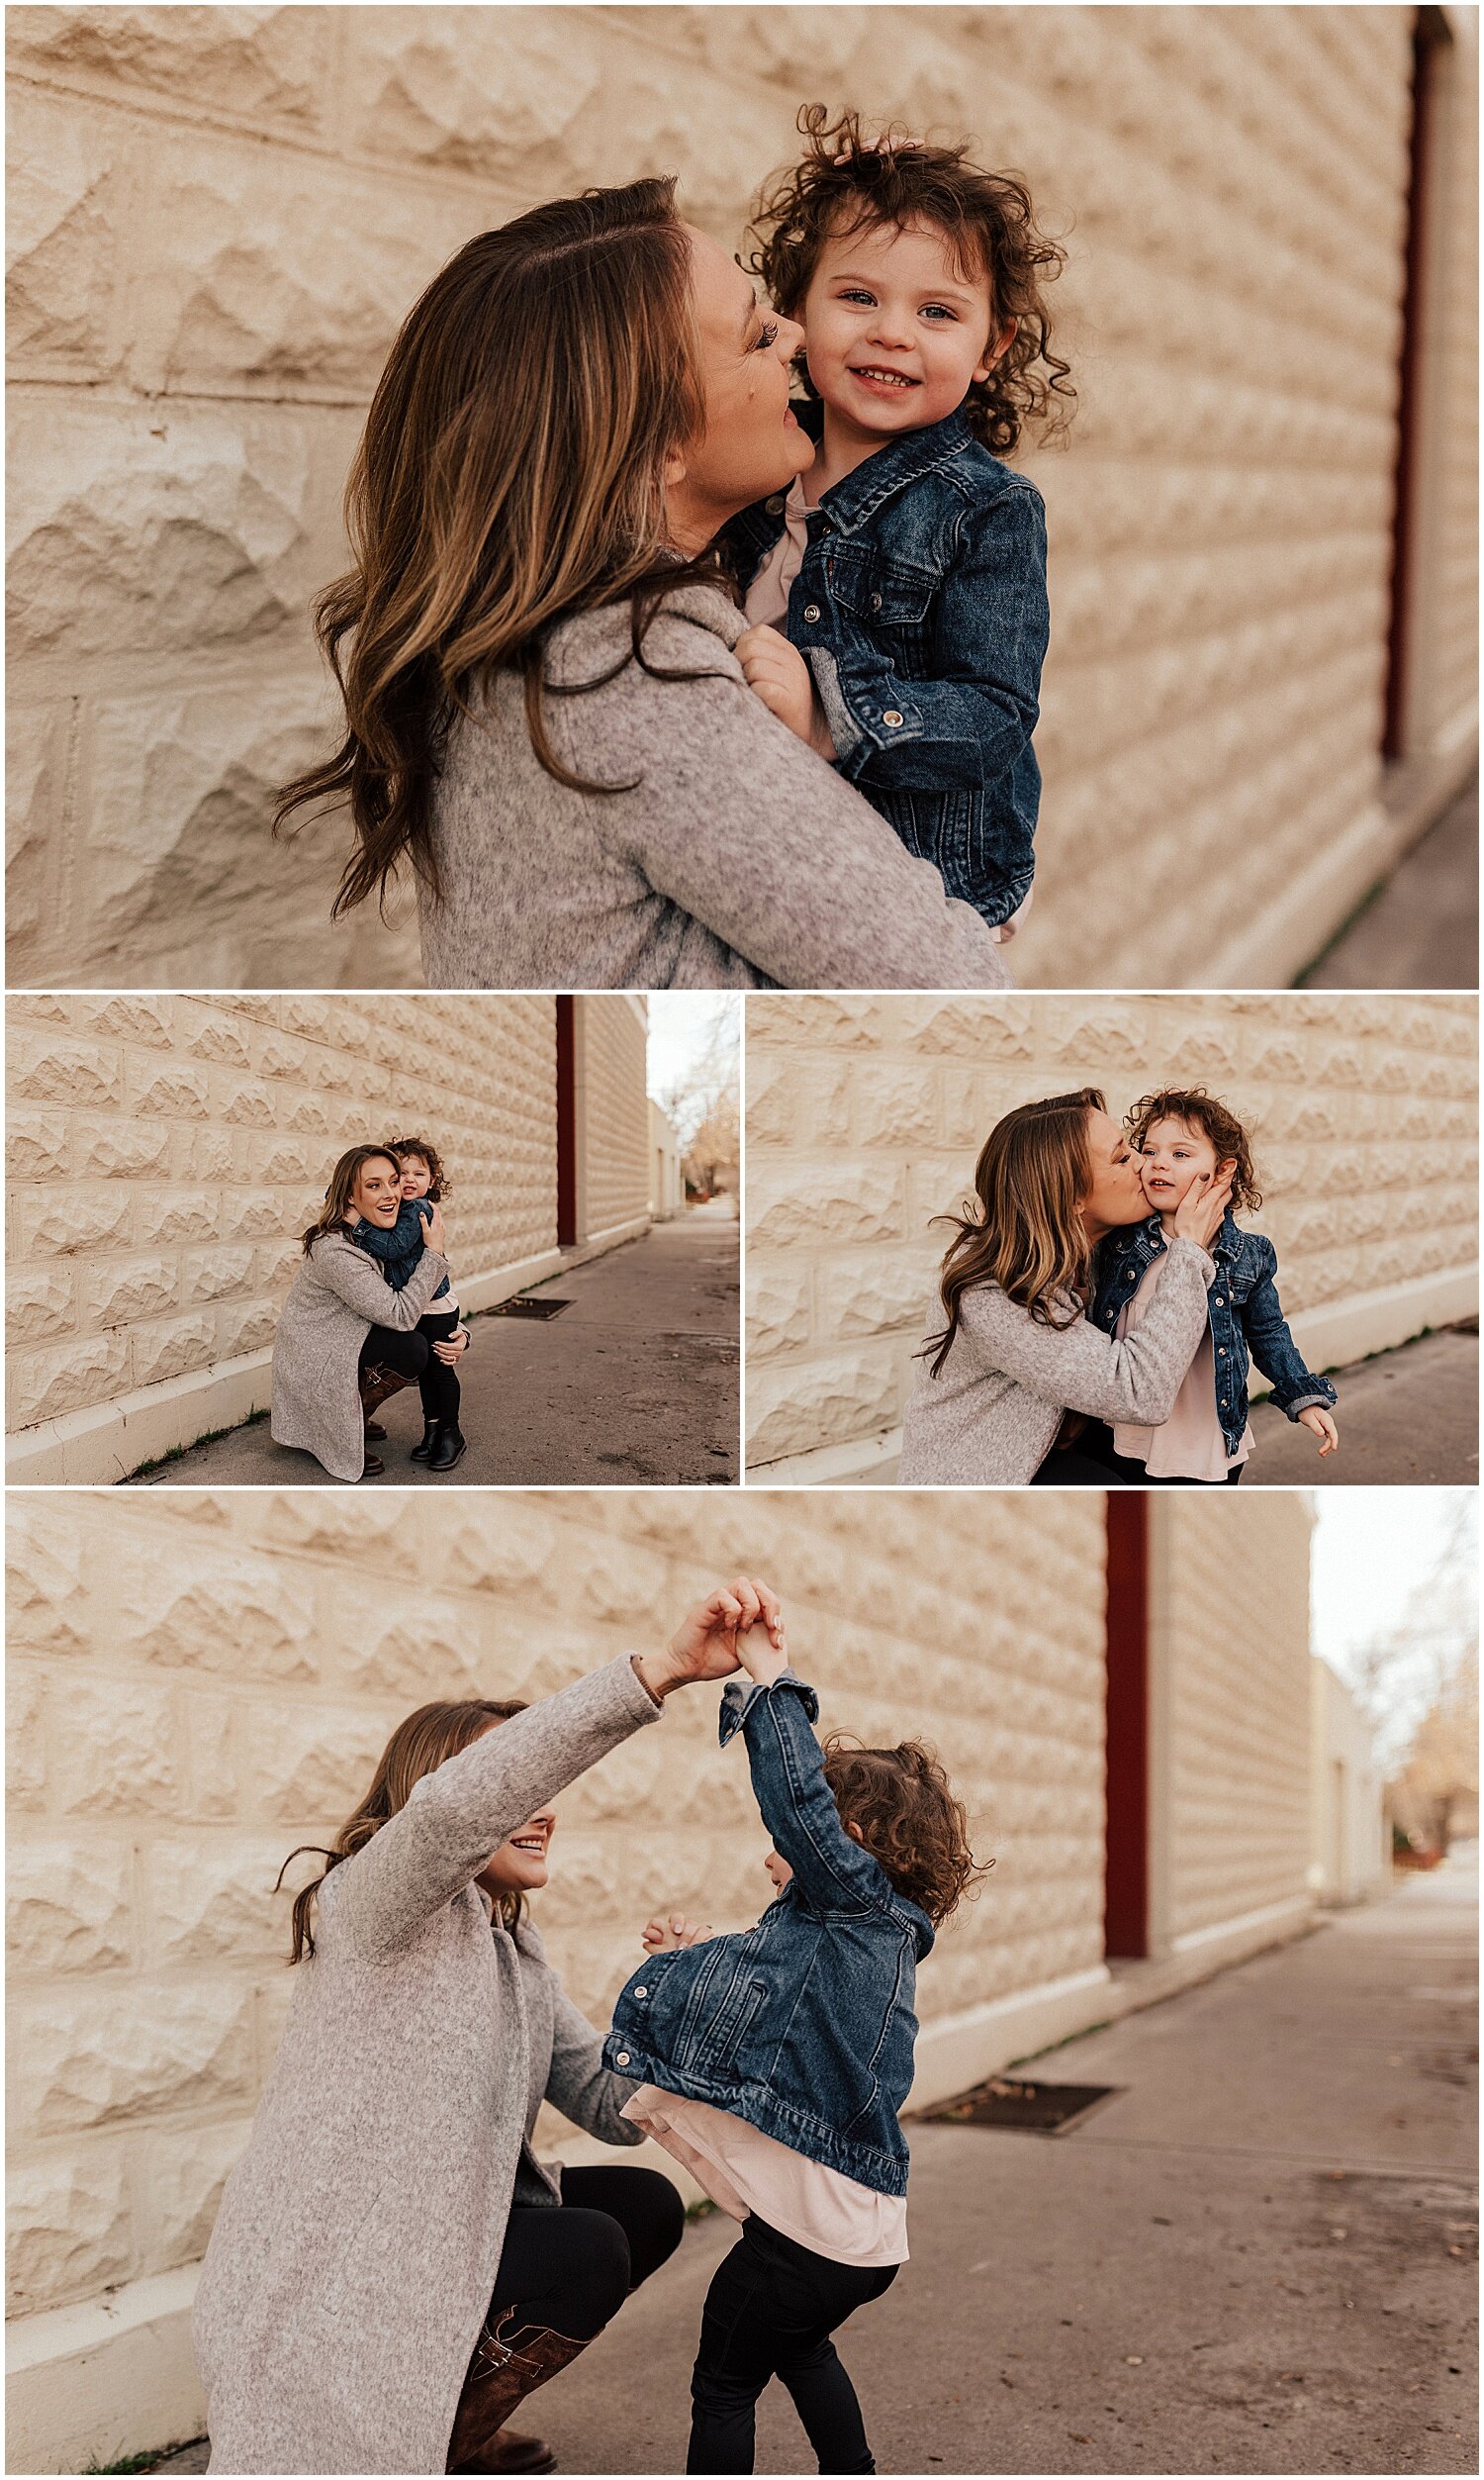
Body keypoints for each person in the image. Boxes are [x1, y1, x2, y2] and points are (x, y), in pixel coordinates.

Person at [273, 179, 1014, 993]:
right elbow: (950, 983)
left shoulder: (533, 637)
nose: (797, 337)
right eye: (754, 336)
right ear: (657, 445)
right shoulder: (633, 682)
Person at [191, 1582, 769, 2476]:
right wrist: (660, 1674)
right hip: (343, 2274)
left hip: (436, 2240)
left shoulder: (512, 1946)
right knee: (586, 2248)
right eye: (523, 1786)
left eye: (542, 1791)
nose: (543, 1809)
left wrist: (685, 1999)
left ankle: (454, 2423)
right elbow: (459, 1808)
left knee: (640, 2206)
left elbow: (614, 2108)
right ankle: (420, 2428)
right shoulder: (374, 1903)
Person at [605, 1582, 983, 2474]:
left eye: (801, 1842)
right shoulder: (867, 1935)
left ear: (846, 1841)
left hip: (809, 2238)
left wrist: (770, 1677)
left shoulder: (849, 1903)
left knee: (724, 2385)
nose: (773, 1851)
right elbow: (778, 1996)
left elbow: (794, 1805)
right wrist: (692, 1950)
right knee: (802, 2350)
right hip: (859, 2236)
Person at [726, 107, 1070, 940]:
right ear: (796, 313)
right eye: (856, 296)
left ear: (993, 347)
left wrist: (829, 717)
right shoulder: (752, 457)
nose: (891, 332)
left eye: (938, 313)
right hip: (779, 853)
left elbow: (992, 714)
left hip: (923, 876)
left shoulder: (987, 510)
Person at [896, 1088, 1233, 1484]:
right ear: (1073, 1198)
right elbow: (1138, 1392)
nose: (1145, 1165)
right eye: (1123, 1158)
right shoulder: (994, 1294)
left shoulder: (1109, 1245)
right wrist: (1189, 1250)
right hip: (986, 1478)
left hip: (1057, 1445)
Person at [1082, 1087, 1340, 1483]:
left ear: (1222, 1172)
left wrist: (1302, 1398)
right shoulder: (1120, 1240)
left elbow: (1269, 1332)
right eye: (1149, 1152)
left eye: (1180, 1154)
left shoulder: (1247, 1255)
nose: (1158, 1165)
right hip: (1127, 1424)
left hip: (1203, 1425)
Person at [270, 1146, 466, 1480]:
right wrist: (433, 1252)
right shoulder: (335, 1248)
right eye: (374, 1186)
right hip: (318, 1355)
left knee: (421, 1345)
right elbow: (402, 1314)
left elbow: (424, 1296)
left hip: (353, 1335)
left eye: (393, 1181)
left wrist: (459, 1331)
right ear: (349, 1197)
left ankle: (430, 1427)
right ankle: (341, 1417)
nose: (391, 1193)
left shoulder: (383, 1231)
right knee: (410, 1347)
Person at [352, 1136, 468, 1472]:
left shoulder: (419, 1210)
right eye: (401, 1173)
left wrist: (357, 1226)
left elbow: (394, 1248)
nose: (409, 1180)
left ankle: (451, 1433)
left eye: (419, 1174)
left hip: (435, 1306)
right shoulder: (400, 1208)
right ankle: (432, 1430)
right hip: (419, 1304)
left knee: (440, 1372)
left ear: (432, 1181)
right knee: (428, 1371)